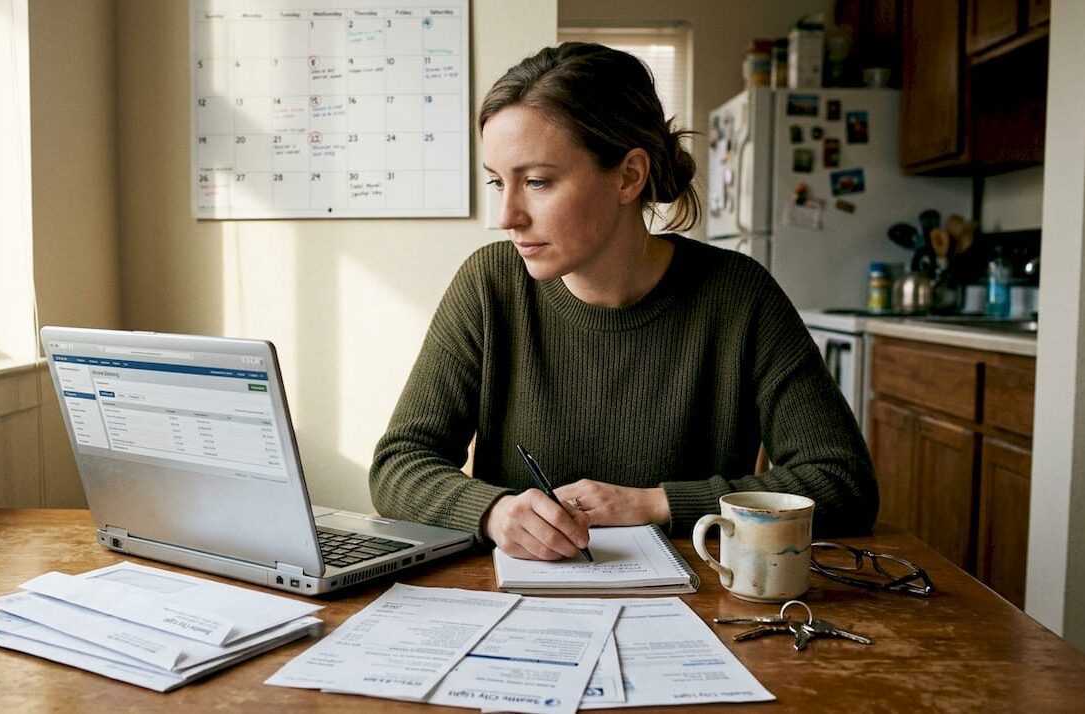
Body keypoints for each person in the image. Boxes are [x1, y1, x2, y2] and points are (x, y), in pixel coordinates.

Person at [369, 42, 877, 561]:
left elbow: (844, 481)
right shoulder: (489, 283)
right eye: (499, 182)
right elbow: (399, 465)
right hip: (519, 603)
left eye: (538, 182)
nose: (507, 215)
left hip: (699, 608)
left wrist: (658, 504)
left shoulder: (739, 295)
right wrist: (495, 512)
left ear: (629, 176)